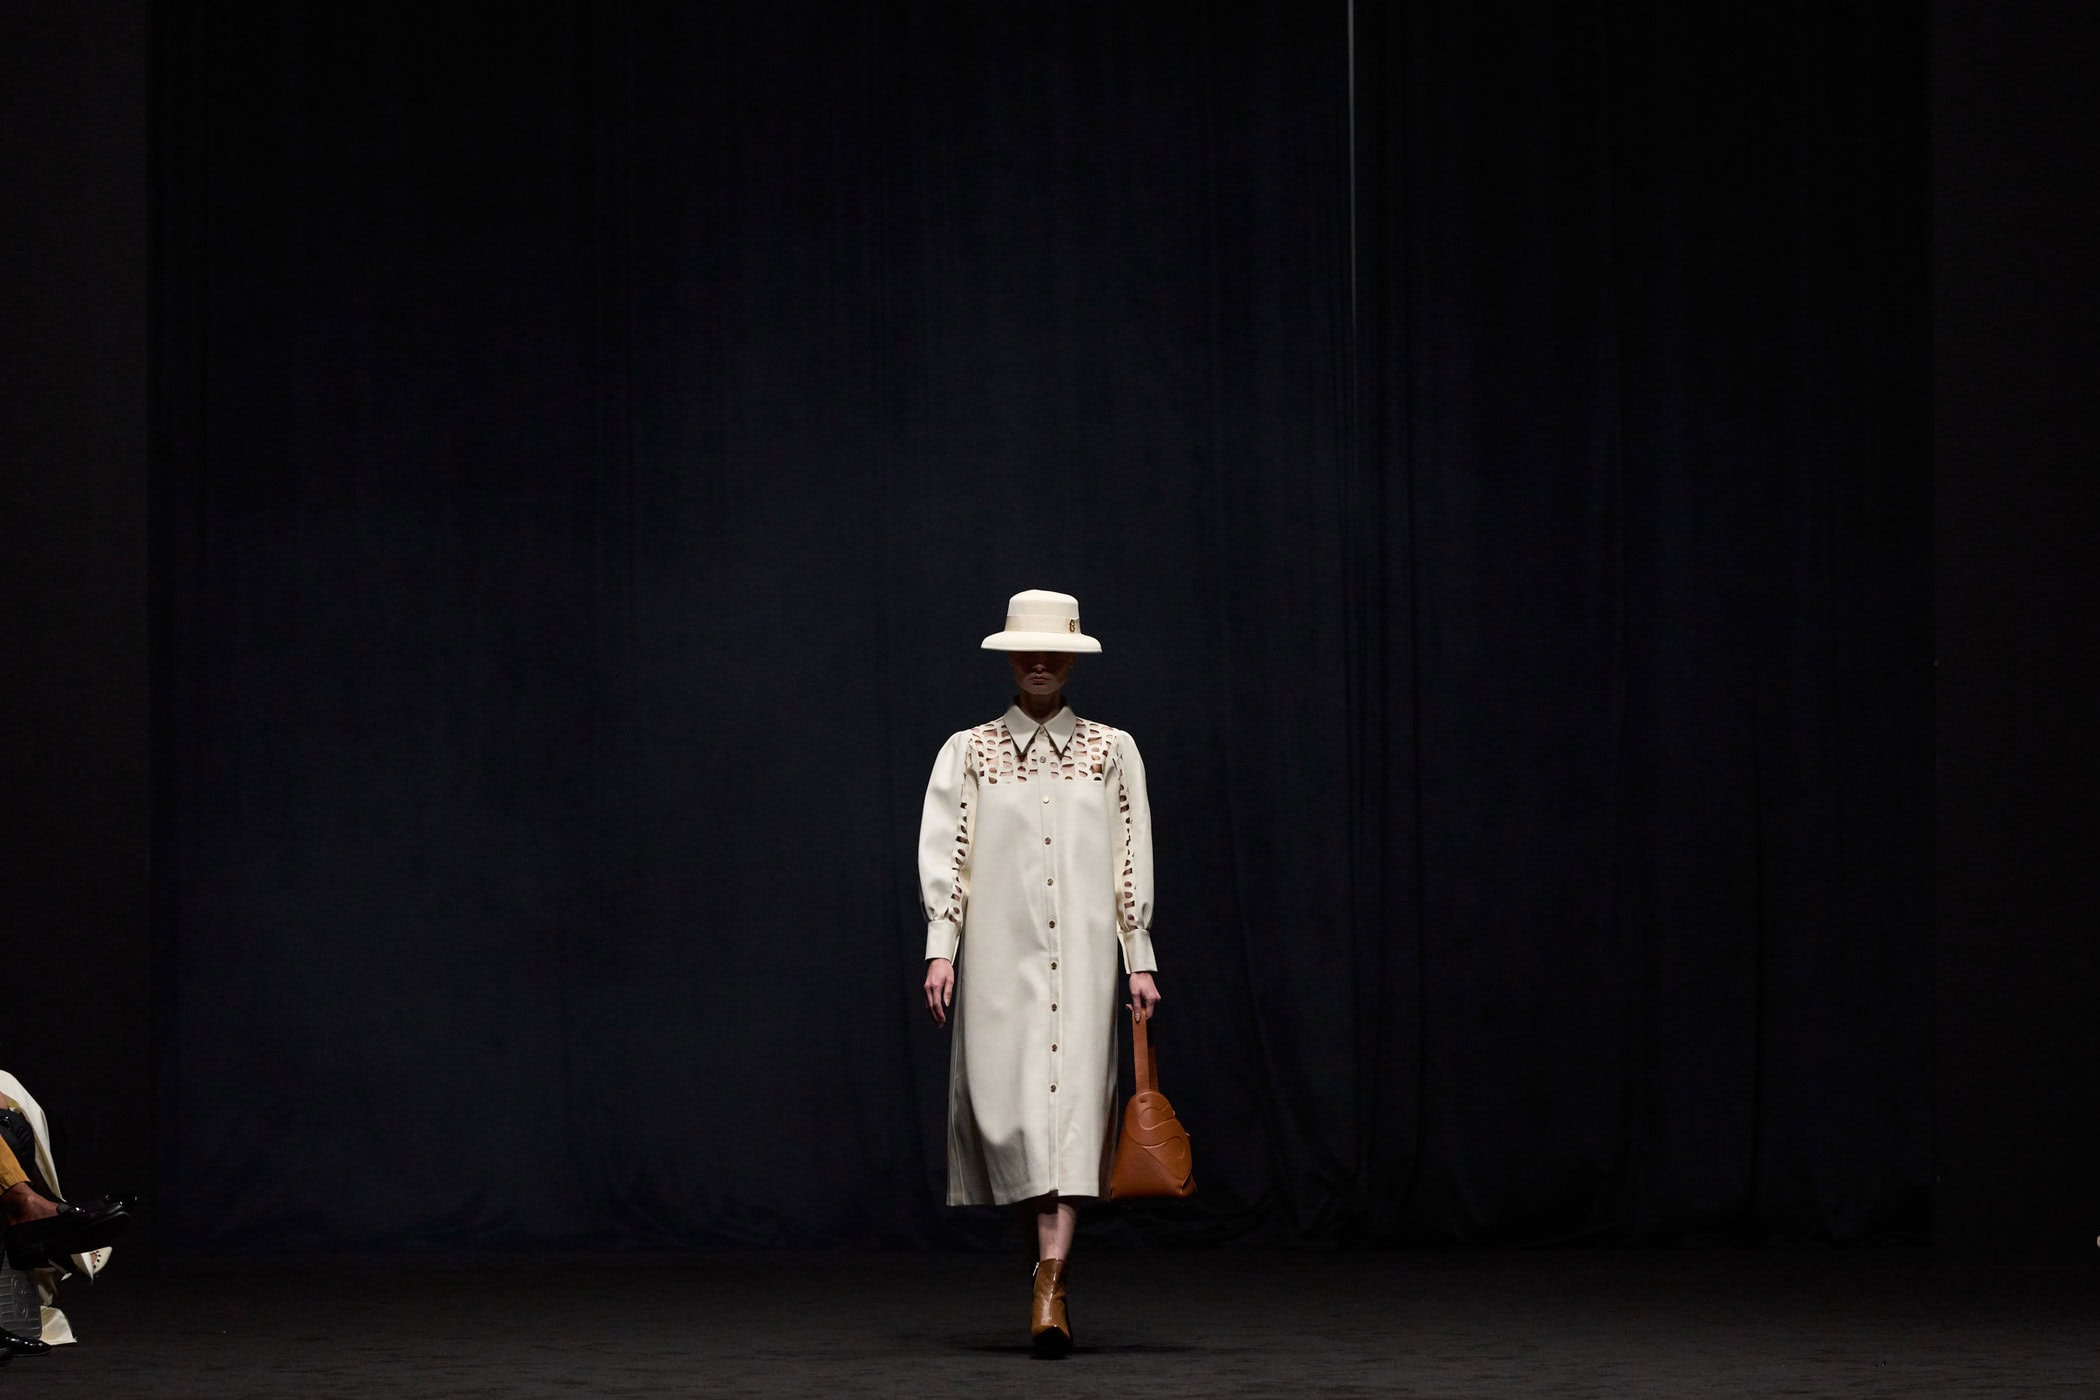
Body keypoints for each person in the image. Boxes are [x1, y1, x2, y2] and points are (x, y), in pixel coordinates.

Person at [917, 589, 1161, 1358]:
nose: (1041, 663)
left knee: (1071, 1121)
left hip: (1084, 961)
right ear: (1010, 658)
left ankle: (1051, 1284)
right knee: (1018, 1122)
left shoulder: (1112, 751)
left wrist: (1139, 955)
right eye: (1029, 650)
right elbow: (950, 852)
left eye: (1055, 650)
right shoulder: (970, 751)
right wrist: (942, 946)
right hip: (1001, 962)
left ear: (1074, 660)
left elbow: (1129, 856)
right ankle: (1043, 1271)